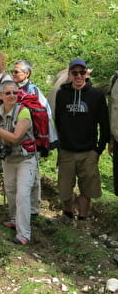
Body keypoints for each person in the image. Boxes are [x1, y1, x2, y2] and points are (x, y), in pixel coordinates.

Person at [55, 58, 109, 229]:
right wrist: (59, 143)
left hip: (88, 151)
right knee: (64, 188)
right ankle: (68, 213)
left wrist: (98, 149)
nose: (79, 76)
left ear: (87, 73)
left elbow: (105, 124)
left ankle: (83, 218)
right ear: (69, 74)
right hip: (67, 150)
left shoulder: (97, 95)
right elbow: (58, 121)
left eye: (82, 72)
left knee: (87, 188)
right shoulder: (62, 94)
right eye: (75, 73)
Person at [0, 81, 37, 245]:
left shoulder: (24, 112)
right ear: (1, 96)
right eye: (8, 93)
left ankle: (24, 234)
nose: (12, 95)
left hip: (26, 159)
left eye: (15, 92)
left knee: (22, 195)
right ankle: (14, 220)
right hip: (8, 158)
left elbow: (15, 137)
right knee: (11, 191)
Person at [11, 59, 58, 217]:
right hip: (13, 137)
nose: (13, 74)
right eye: (13, 71)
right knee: (16, 171)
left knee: (32, 173)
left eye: (16, 71)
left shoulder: (34, 91)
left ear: (27, 74)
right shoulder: (11, 89)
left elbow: (45, 114)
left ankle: (33, 207)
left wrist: (44, 140)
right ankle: (20, 206)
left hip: (31, 138)